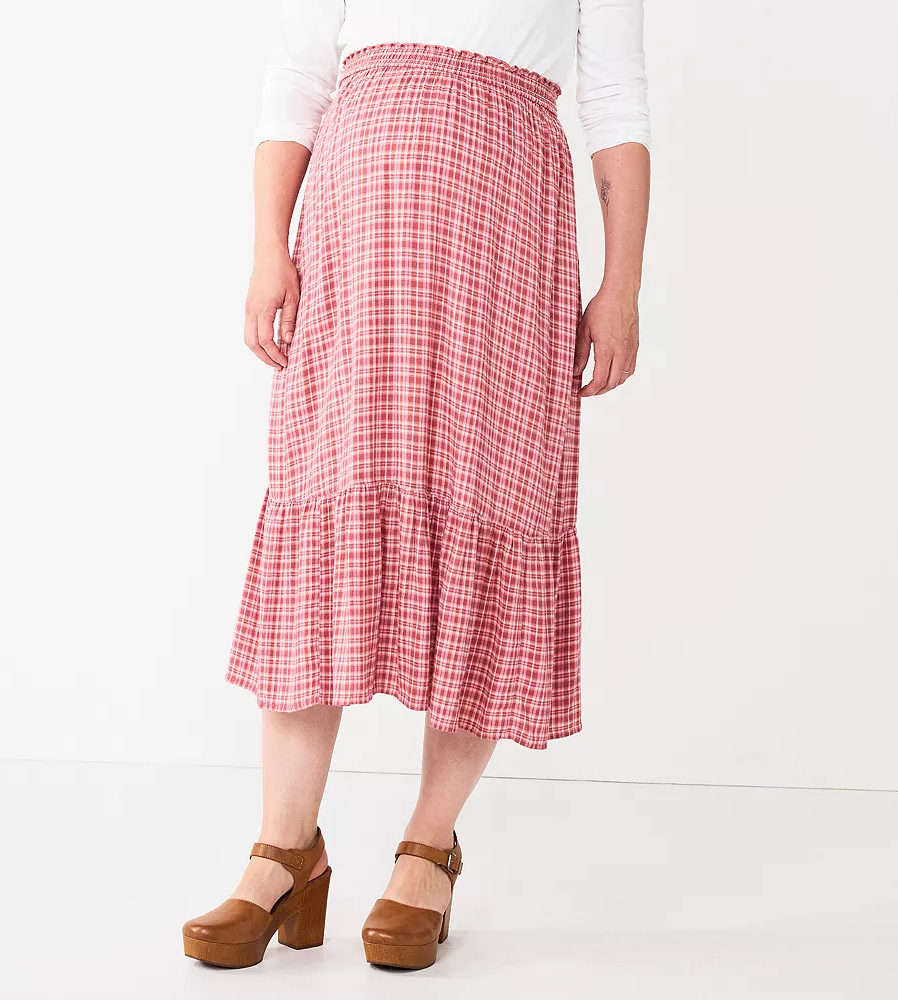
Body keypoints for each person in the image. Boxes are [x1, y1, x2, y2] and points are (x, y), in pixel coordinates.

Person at [183, 0, 651, 972]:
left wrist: (621, 286)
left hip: (507, 244)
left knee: (494, 497)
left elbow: (614, 101)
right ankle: (283, 851)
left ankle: (427, 848)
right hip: (355, 234)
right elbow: (298, 78)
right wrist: (269, 247)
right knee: (327, 496)